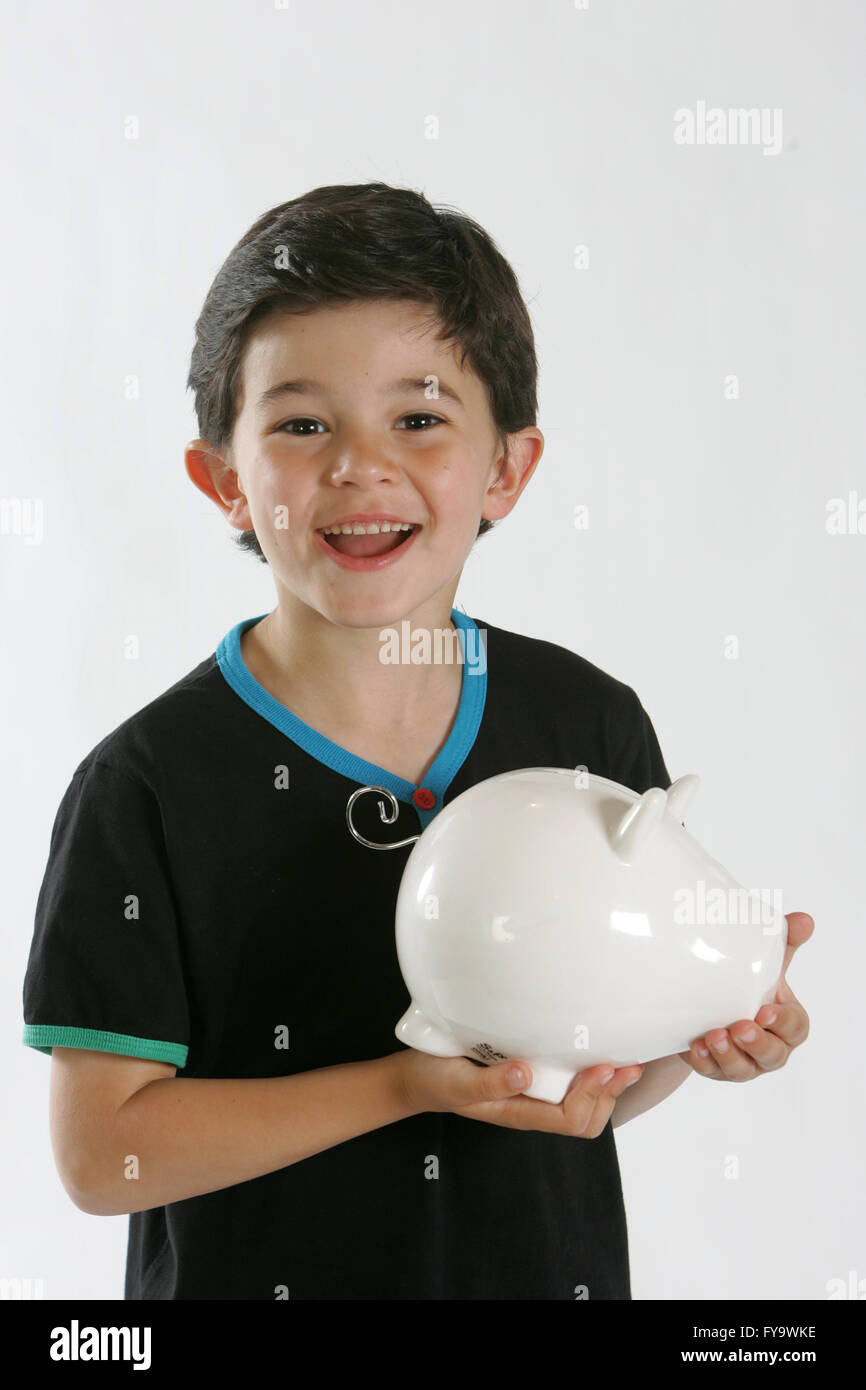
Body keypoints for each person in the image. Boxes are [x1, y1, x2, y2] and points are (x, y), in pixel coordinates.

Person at [21, 182, 811, 1300]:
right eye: (301, 424)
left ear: (505, 468)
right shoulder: (145, 784)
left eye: (419, 417)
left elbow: (573, 1086)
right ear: (223, 480)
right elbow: (106, 1159)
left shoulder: (583, 723)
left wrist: (698, 1031)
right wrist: (401, 1086)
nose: (358, 465)